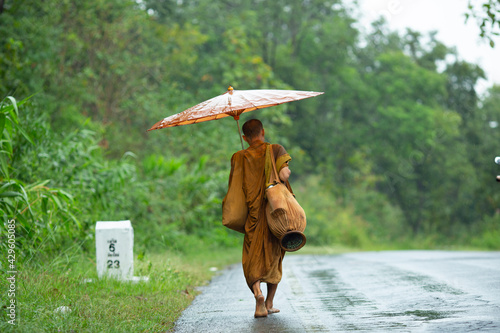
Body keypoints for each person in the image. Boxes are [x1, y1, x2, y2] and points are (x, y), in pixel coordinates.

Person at [229, 118, 293, 318]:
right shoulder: (275, 149)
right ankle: (269, 302)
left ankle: (257, 296)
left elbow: (236, 188)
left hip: (253, 216)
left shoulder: (238, 156)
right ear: (263, 131)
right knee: (275, 257)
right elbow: (284, 175)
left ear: (244, 137)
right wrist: (285, 169)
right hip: (274, 214)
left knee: (251, 258)